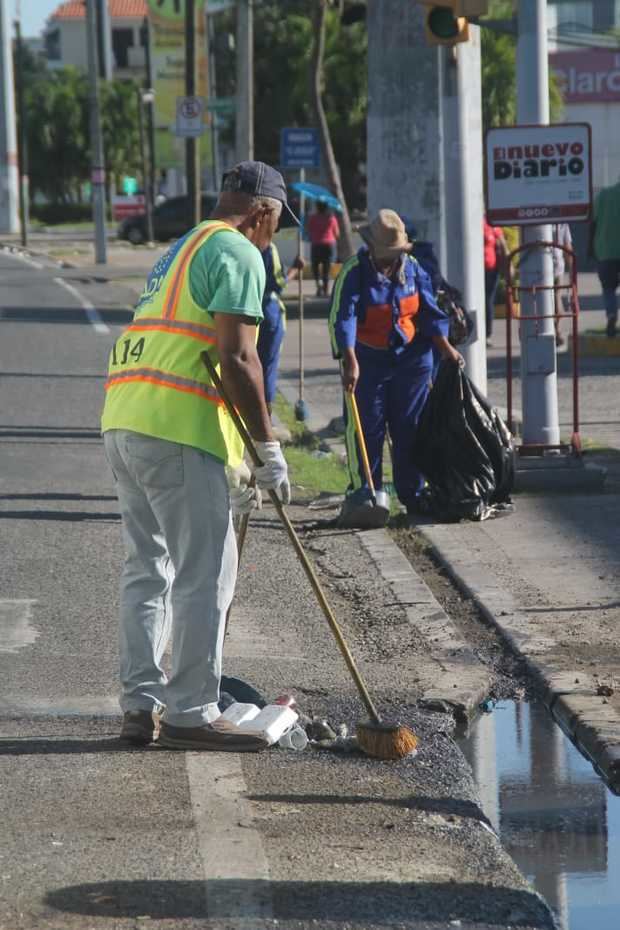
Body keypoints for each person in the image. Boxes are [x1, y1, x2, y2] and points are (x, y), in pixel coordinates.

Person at [101, 161, 292, 751]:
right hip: (180, 430)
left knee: (148, 569)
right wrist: (266, 449)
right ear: (260, 211)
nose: (273, 238)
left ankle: (140, 703)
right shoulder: (238, 252)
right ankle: (189, 711)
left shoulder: (180, 247)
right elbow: (238, 359)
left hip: (127, 418)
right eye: (276, 225)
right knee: (205, 572)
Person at [328, 209, 463, 527]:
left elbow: (430, 312)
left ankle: (413, 495)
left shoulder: (414, 269)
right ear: (371, 247)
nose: (391, 260)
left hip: (412, 362)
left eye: (395, 253)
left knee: (411, 429)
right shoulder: (354, 271)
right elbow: (342, 316)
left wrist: (446, 350)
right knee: (367, 428)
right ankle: (367, 493)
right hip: (367, 361)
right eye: (386, 254)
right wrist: (349, 359)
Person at [257, 242, 303, 412]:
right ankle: (266, 415)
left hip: (251, 308)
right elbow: (278, 283)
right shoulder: (268, 248)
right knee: (268, 365)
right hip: (269, 310)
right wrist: (294, 270)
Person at [589, 179, 620, 338]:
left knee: (608, 289)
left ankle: (611, 315)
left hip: (605, 250)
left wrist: (590, 248)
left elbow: (593, 223)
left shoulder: (603, 195)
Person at [483, 216, 508, 347]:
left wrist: (508, 265)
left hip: (491, 270)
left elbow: (502, 243)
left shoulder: (491, 222)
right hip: (476, 270)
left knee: (488, 301)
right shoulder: (473, 222)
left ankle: (487, 334)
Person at [308, 199, 340, 297]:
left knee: (315, 267)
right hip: (328, 245)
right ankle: (325, 290)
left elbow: (309, 231)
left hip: (316, 245)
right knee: (326, 268)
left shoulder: (312, 218)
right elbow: (337, 234)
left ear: (317, 207)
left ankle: (319, 286)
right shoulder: (331, 218)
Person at [551, 222, 573, 347]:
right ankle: (556, 330)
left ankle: (555, 330)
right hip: (557, 264)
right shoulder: (562, 221)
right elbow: (567, 246)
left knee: (552, 297)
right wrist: (571, 270)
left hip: (539, 264)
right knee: (556, 296)